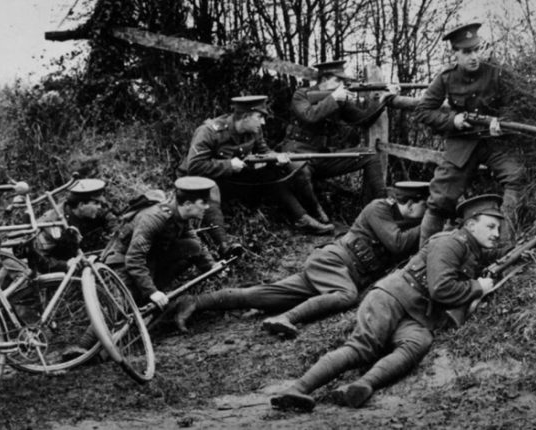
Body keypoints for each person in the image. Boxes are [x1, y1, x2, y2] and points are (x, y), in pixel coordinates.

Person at [269, 194, 502, 412]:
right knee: (362, 348)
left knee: (418, 342)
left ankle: (363, 385)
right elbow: (441, 288)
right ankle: (297, 389)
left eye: (499, 228)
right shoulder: (451, 242)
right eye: (491, 226)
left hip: (417, 312)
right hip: (392, 297)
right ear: (471, 225)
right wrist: (478, 287)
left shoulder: (470, 250)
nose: (497, 234)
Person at [173, 181, 430, 336]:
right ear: (410, 204)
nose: (427, 214)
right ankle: (286, 318)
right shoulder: (379, 208)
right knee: (345, 295)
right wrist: (431, 222)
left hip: (337, 273)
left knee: (263, 296)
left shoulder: (407, 223)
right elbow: (396, 243)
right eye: (425, 208)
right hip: (332, 263)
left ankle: (195, 301)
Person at [415, 22, 524, 247]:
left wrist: (501, 121)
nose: (474, 57)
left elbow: (516, 103)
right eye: (466, 52)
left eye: (476, 49)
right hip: (463, 143)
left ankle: (504, 247)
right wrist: (452, 121)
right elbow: (423, 111)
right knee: (440, 198)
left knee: (516, 177)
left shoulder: (497, 72)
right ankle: (423, 256)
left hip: (493, 142)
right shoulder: (446, 77)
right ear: (455, 53)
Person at [178, 95, 334, 239]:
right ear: (245, 117)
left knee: (271, 175)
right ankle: (223, 243)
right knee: (210, 189)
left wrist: (276, 157)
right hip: (201, 181)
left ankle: (302, 219)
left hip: (232, 180)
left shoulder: (254, 131)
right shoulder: (209, 131)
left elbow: (264, 151)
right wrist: (229, 165)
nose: (263, 122)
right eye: (259, 117)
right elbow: (195, 166)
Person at [280, 60, 387, 223]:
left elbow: (363, 119)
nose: (342, 85)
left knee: (370, 155)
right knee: (300, 170)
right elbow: (310, 116)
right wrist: (333, 98)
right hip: (298, 154)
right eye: (338, 80)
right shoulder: (301, 95)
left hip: (323, 156)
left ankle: (383, 206)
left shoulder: (339, 100)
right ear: (324, 79)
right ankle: (316, 213)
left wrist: (383, 100)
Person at [103, 176, 220, 309]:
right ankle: (148, 293)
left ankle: (155, 289)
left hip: (149, 259)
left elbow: (193, 239)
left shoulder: (181, 216)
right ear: (188, 204)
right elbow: (134, 258)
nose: (207, 206)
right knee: (123, 308)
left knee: (192, 247)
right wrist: (151, 292)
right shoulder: (153, 219)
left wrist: (212, 265)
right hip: (123, 262)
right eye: (203, 203)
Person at [1, 178, 118, 285]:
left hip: (46, 255)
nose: (99, 207)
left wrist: (114, 235)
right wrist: (65, 265)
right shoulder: (54, 225)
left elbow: (107, 216)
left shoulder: (85, 211)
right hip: (18, 257)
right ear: (82, 205)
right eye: (96, 203)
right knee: (32, 288)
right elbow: (39, 260)